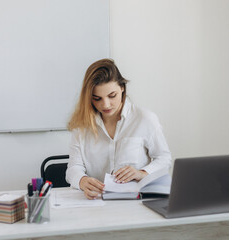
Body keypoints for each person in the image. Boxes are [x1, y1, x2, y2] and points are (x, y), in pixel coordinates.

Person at [66, 58, 172, 200]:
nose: (106, 105)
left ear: (122, 88)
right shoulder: (82, 125)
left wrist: (142, 172)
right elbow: (73, 168)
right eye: (97, 98)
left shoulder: (144, 119)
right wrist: (82, 181)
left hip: (135, 204)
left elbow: (164, 158)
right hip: (96, 202)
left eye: (112, 96)